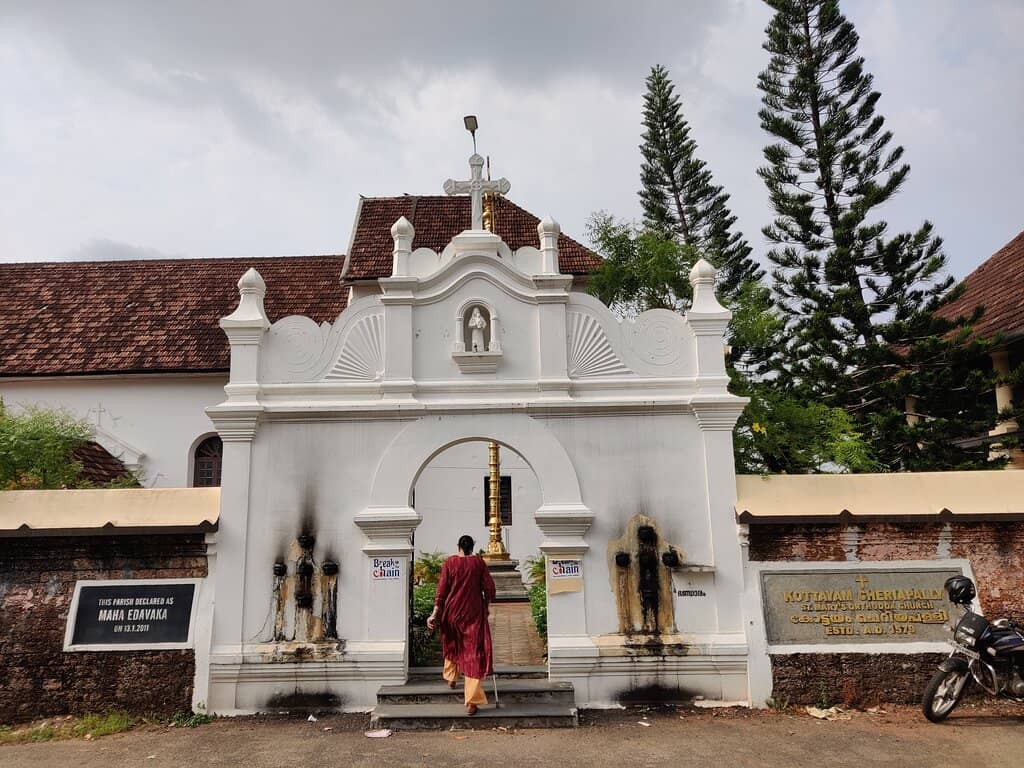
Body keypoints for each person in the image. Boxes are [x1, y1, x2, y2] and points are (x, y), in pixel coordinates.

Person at [427, 534, 496, 715]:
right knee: (473, 653)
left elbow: (441, 590)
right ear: (473, 546)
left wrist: (434, 614)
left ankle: (451, 676)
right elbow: (489, 589)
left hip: (452, 612)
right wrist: (486, 606)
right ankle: (471, 702)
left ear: (458, 546)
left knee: (454, 644)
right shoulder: (479, 563)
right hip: (473, 612)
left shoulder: (450, 563)